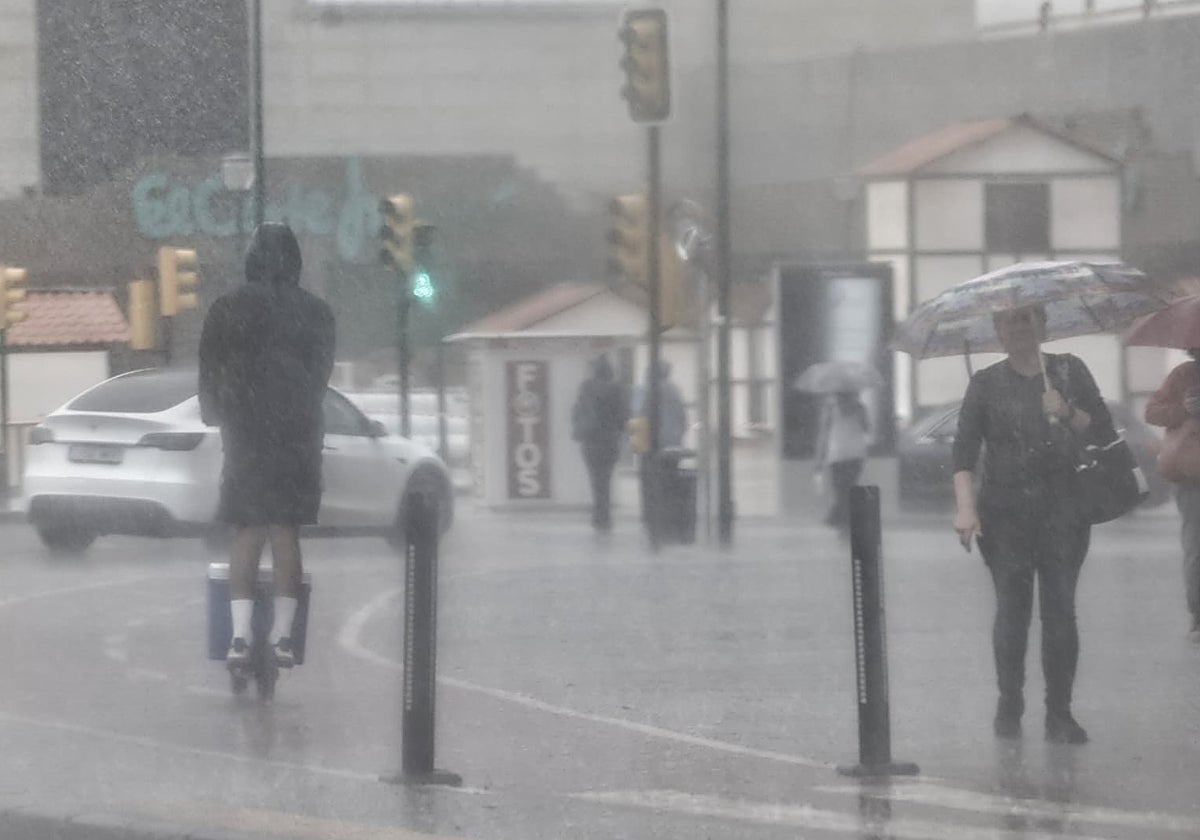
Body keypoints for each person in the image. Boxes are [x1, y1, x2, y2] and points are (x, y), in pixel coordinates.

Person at [952, 304, 1115, 745]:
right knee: (1012, 610)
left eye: (1027, 319)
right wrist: (966, 509)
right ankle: (1010, 702)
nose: (1019, 328)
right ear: (997, 332)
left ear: (1044, 325)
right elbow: (963, 452)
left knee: (1060, 609)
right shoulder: (984, 383)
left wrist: (1065, 411)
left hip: (1064, 509)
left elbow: (1101, 429)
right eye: (1009, 321)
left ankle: (1059, 714)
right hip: (1004, 513)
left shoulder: (1068, 371)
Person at [199, 223, 336, 671]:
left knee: (247, 530)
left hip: (245, 433)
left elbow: (210, 367)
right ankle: (282, 638)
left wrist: (217, 409)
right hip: (295, 437)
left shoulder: (226, 309)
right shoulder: (317, 313)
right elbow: (320, 377)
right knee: (285, 531)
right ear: (294, 259)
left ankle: (238, 637)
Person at [1144, 348, 1200, 643]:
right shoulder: (1184, 376)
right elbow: (1152, 411)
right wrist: (1184, 409)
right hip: (1194, 476)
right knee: (1196, 546)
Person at [571, 355, 630, 531]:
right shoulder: (617, 388)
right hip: (610, 440)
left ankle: (598, 514)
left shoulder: (586, 387)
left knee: (595, 478)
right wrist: (620, 432)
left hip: (590, 440)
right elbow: (623, 415)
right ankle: (604, 515)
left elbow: (577, 411)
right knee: (606, 477)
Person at [813, 390, 870, 534]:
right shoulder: (860, 408)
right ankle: (841, 520)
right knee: (849, 488)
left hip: (837, 455)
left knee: (840, 490)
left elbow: (823, 435)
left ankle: (838, 520)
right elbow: (867, 428)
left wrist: (819, 459)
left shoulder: (830, 408)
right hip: (856, 454)